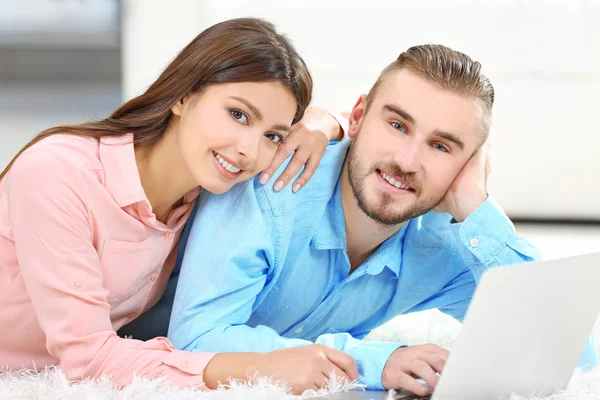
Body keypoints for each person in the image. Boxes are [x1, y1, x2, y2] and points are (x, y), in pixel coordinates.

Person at [167, 44, 599, 396]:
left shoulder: (442, 245)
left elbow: (569, 352)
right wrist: (374, 361)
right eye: (396, 125)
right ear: (356, 117)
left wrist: (474, 203)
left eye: (442, 147)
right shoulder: (271, 184)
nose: (405, 161)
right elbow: (197, 338)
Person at [0, 17, 358, 393]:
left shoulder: (206, 192)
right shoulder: (58, 174)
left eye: (272, 136)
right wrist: (259, 368)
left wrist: (325, 123)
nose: (248, 151)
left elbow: (380, 129)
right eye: (238, 115)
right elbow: (90, 358)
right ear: (184, 96)